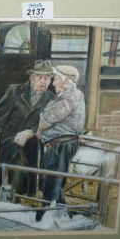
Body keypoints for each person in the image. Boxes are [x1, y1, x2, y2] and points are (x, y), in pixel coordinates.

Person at [0, 60, 55, 197]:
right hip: (8, 139)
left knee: (24, 169)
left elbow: (50, 122)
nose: (44, 82)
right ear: (32, 78)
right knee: (4, 167)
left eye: (47, 78)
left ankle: (18, 199)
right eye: (40, 77)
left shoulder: (51, 98)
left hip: (31, 142)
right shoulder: (15, 91)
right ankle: (2, 194)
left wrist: (33, 131)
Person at [36, 65, 86, 211]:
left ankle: (47, 213)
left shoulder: (69, 97)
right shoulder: (68, 96)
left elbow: (48, 119)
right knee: (54, 179)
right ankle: (59, 210)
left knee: (52, 180)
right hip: (59, 143)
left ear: (67, 80)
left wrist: (40, 127)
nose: (54, 83)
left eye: (57, 78)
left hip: (61, 144)